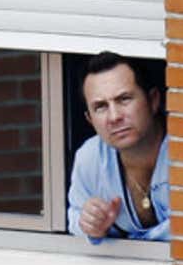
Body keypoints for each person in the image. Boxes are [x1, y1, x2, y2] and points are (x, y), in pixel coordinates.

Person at [67, 51, 169, 242]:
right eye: (101, 107)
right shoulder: (90, 158)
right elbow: (75, 219)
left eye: (124, 99)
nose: (114, 117)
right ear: (90, 120)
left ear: (153, 100)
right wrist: (92, 225)